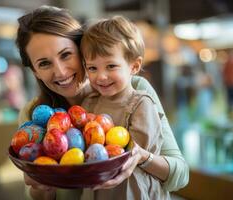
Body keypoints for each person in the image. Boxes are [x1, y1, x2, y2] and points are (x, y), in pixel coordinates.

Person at [15, 5, 189, 200]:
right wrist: (41, 184)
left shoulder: (134, 90)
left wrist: (142, 158)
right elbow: (36, 196)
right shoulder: (34, 117)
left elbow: (181, 176)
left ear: (81, 51)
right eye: (44, 63)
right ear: (35, 72)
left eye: (66, 55)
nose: (61, 72)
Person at [79, 16, 167, 199]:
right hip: (98, 187)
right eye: (92, 68)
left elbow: (132, 155)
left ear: (134, 66)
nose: (101, 76)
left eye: (111, 66)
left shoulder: (142, 104)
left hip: (131, 189)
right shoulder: (89, 103)